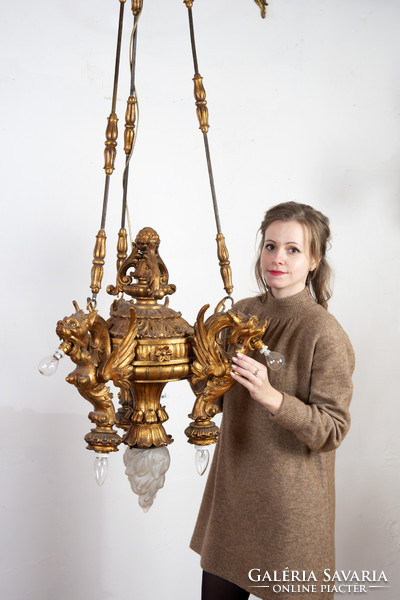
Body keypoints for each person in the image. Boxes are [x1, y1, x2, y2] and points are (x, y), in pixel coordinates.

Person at [190, 201, 355, 600]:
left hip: (290, 513)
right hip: (233, 500)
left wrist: (272, 397)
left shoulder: (324, 332)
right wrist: (200, 375)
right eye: (270, 246)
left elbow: (331, 430)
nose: (277, 258)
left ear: (314, 259)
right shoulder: (241, 313)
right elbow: (217, 396)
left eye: (293, 249)